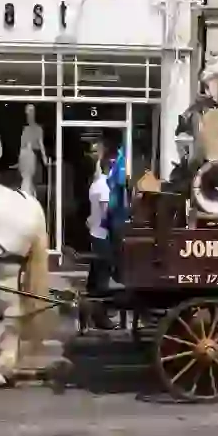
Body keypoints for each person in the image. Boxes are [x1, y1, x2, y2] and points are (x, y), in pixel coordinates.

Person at [84, 139, 117, 330]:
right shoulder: (104, 187)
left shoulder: (95, 185)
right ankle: (100, 317)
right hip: (103, 236)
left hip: (94, 233)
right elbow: (106, 213)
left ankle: (90, 312)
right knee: (102, 278)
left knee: (95, 276)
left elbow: (93, 213)